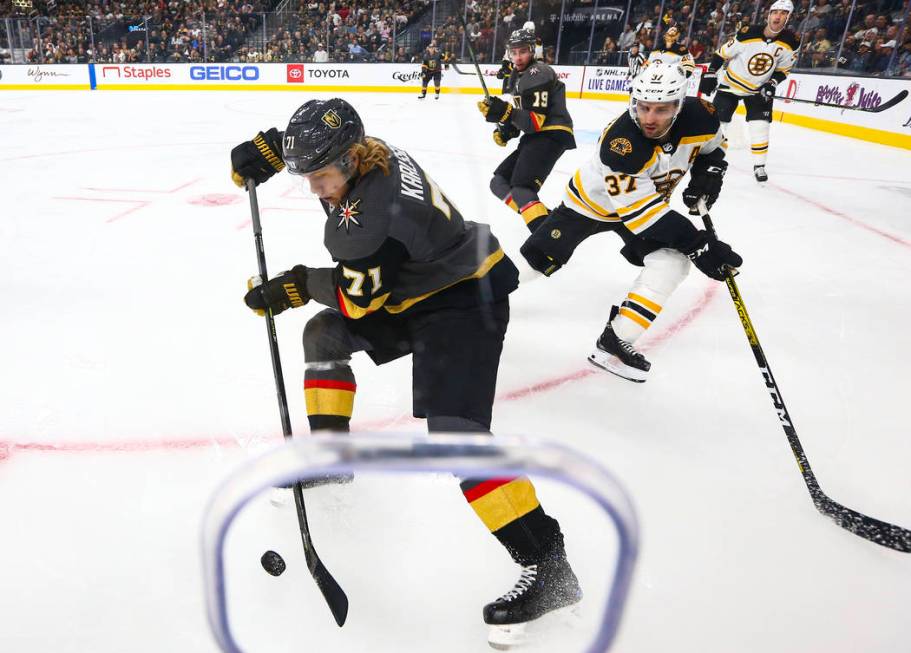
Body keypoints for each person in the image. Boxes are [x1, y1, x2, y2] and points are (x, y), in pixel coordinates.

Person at [229, 98, 581, 648]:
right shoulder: (369, 152)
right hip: (422, 284)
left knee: (456, 438)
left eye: (319, 177)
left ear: (348, 163)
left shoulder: (369, 220)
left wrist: (295, 284)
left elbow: (357, 301)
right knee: (323, 337)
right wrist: (270, 150)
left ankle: (549, 567)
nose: (315, 189)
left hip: (466, 299)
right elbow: (319, 139)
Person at [519, 63, 742, 382]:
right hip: (590, 205)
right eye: (644, 107)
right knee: (536, 262)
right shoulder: (621, 144)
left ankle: (614, 343)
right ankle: (471, 292)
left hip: (644, 205)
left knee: (672, 265)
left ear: (678, 106)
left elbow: (714, 149)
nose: (650, 118)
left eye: (662, 109)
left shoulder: (702, 116)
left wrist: (707, 177)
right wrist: (700, 245)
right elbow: (645, 217)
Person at [481, 27, 576, 233]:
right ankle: (548, 223)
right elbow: (522, 118)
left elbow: (534, 121)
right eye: (513, 52)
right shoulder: (518, 76)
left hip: (551, 133)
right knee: (498, 183)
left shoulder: (538, 71)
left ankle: (547, 239)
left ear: (532, 50)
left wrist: (504, 112)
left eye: (522, 51)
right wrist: (506, 130)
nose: (518, 57)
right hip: (535, 136)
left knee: (522, 189)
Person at [699, 0, 799, 183]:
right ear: (768, 15)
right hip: (731, 85)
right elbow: (721, 53)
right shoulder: (747, 33)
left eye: (783, 13)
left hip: (758, 89)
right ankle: (709, 158)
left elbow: (783, 69)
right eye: (775, 12)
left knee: (760, 126)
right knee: (718, 124)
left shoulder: (792, 42)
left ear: (788, 17)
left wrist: (772, 83)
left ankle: (759, 165)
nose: (778, 16)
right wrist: (711, 73)